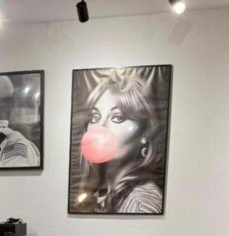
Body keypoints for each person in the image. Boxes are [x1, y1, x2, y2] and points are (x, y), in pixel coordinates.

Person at [69, 71, 165, 214]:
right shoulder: (100, 195)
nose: (101, 127)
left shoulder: (141, 203)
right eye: (94, 117)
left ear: (145, 133)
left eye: (118, 118)